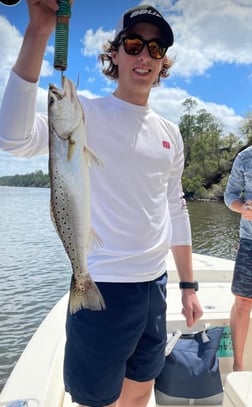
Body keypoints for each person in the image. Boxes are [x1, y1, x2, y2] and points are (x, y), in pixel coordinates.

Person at [0, 1, 203, 406]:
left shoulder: (171, 133)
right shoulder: (83, 114)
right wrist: (39, 32)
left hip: (154, 287)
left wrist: (188, 285)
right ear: (114, 53)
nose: (144, 55)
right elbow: (12, 138)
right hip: (101, 284)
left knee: (141, 388)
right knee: (97, 400)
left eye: (156, 49)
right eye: (133, 43)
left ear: (164, 63)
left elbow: (175, 209)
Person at [224, 145, 252, 372]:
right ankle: (239, 367)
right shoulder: (245, 157)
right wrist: (242, 206)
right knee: (243, 302)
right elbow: (230, 194)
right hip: (250, 240)